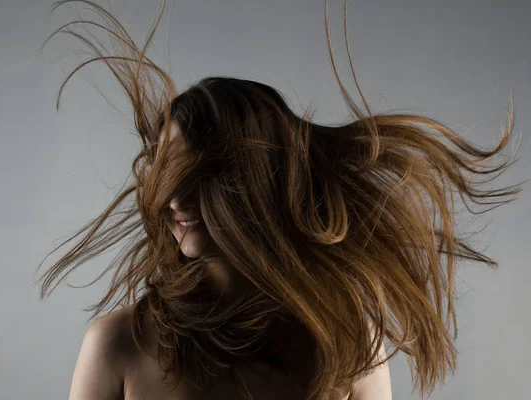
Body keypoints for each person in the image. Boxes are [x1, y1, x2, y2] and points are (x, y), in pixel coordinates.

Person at [35, 1, 523, 399]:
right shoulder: (119, 345)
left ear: (258, 180)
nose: (175, 199)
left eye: (200, 175)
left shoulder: (345, 340)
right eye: (167, 173)